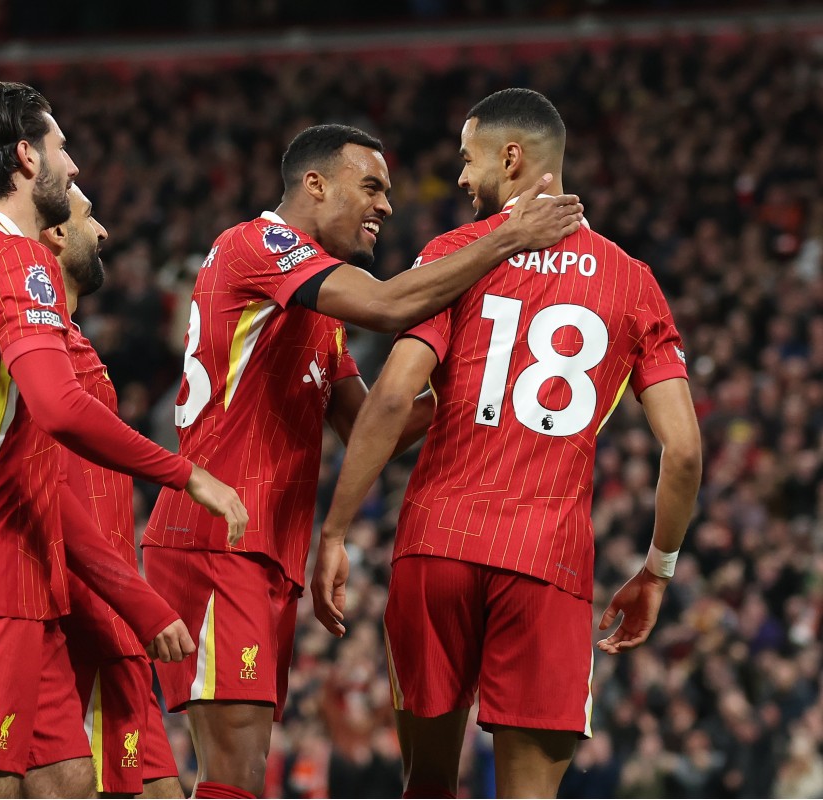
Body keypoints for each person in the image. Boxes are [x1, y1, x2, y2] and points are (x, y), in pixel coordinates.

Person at [142, 122, 585, 798]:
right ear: (315, 185)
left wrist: (486, 384)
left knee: (238, 771)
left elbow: (370, 423)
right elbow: (388, 303)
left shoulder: (314, 308)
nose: (385, 206)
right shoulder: (260, 244)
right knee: (230, 773)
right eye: (371, 187)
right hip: (216, 536)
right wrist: (506, 238)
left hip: (263, 547)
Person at [0, 77, 247, 799]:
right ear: (26, 159)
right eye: (63, 147)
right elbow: (59, 409)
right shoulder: (16, 262)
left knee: (66, 782)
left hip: (12, 590)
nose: (76, 166)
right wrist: (185, 475)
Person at [313, 88, 702, 798]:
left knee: (426, 784)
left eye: (468, 160)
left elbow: (395, 395)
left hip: (436, 543)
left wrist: (335, 528)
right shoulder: (633, 282)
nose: (461, 178)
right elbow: (683, 452)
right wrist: (658, 569)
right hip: (545, 561)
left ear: (512, 157)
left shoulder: (457, 255)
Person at [41, 184, 184, 798]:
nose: (102, 232)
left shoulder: (72, 342)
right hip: (86, 619)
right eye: (89, 216)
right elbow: (46, 492)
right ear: (54, 234)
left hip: (117, 621)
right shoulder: (38, 353)